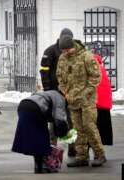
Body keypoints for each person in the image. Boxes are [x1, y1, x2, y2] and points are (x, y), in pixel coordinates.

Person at [56, 35, 106, 167]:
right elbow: (59, 76)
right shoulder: (62, 58)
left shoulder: (87, 56)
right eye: (63, 51)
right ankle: (82, 157)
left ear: (73, 47)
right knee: (77, 129)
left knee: (89, 127)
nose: (65, 53)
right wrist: (64, 91)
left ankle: (99, 154)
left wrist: (85, 94)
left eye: (67, 50)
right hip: (72, 99)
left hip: (87, 99)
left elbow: (96, 77)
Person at [12, 90, 69, 174]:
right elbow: (59, 118)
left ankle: (38, 166)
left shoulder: (47, 93)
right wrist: (65, 131)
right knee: (43, 136)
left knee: (36, 137)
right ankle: (43, 166)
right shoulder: (60, 97)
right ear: (64, 94)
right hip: (35, 108)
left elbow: (51, 115)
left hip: (23, 106)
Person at [40, 28, 76, 156]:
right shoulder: (50, 51)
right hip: (55, 92)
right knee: (55, 120)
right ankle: (52, 147)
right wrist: (47, 90)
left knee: (71, 120)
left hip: (69, 93)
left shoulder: (73, 51)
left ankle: (72, 147)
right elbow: (44, 71)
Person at [94, 53, 113, 146]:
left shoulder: (94, 68)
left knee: (94, 128)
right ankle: (101, 145)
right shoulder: (100, 67)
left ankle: (97, 150)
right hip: (104, 103)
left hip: (97, 102)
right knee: (102, 127)